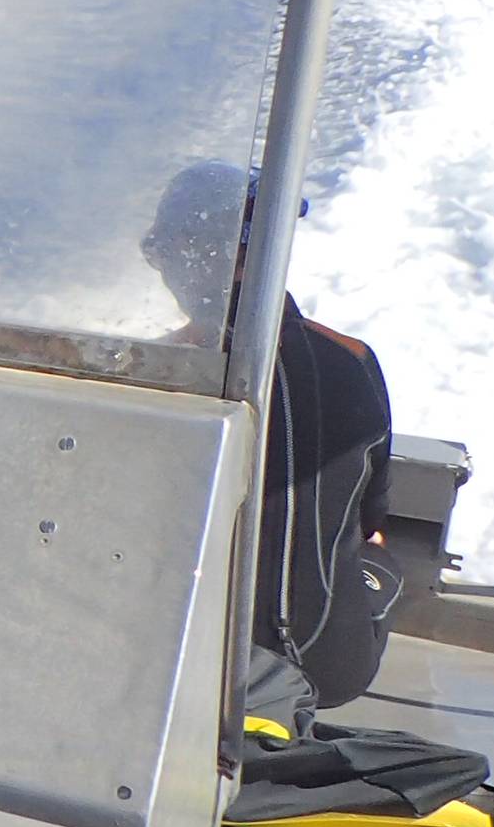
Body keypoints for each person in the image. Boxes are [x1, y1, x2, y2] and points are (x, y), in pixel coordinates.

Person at [144, 160, 396, 709]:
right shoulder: (352, 360)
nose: (159, 263)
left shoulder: (156, 370)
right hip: (332, 667)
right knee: (380, 556)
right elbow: (372, 518)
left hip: (174, 665)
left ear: (203, 252)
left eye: (160, 248)